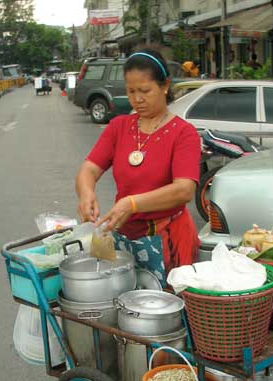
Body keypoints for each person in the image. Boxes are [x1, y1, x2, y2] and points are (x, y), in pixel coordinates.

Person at [75, 49, 201, 282]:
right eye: (131, 91)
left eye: (145, 91)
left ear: (164, 86)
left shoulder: (184, 133)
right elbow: (89, 169)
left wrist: (132, 203)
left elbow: (184, 190)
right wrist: (86, 193)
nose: (137, 99)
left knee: (166, 311)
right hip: (124, 239)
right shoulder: (119, 127)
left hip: (167, 239)